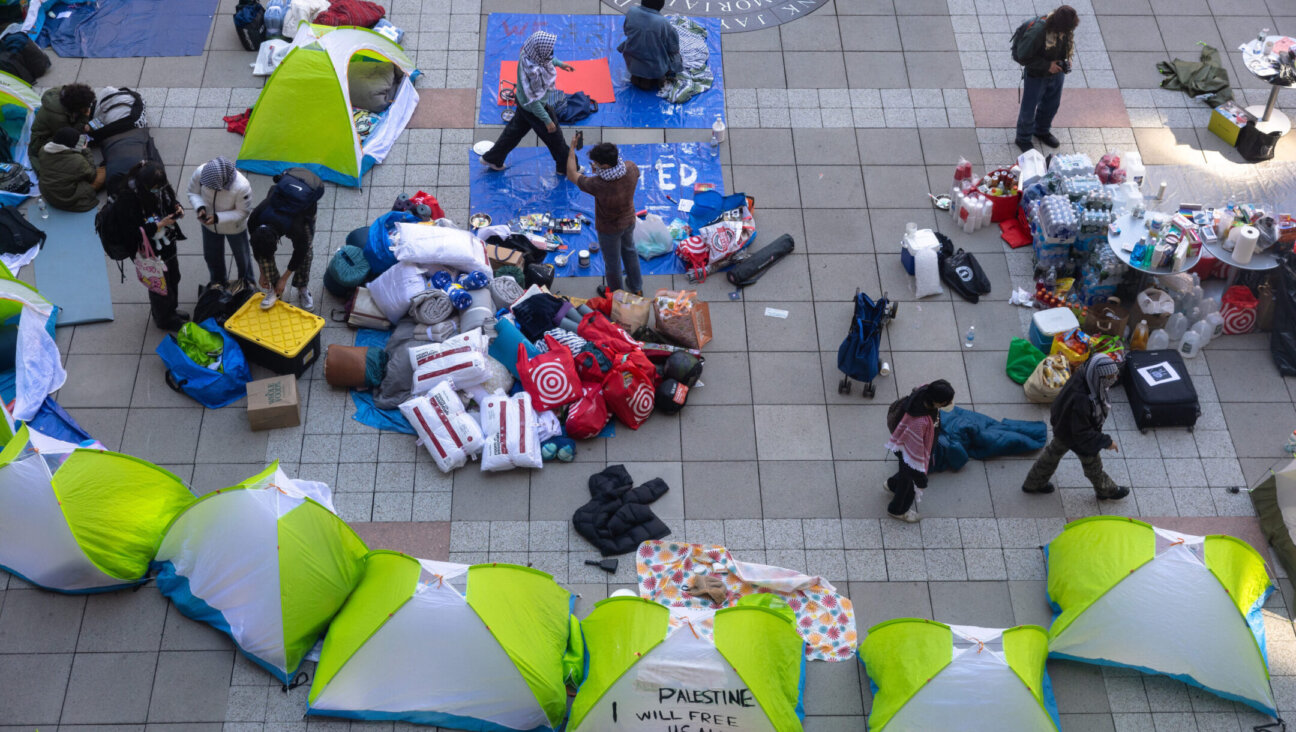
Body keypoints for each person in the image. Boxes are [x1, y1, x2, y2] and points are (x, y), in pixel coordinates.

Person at [1021, 353, 1130, 500]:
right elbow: (1082, 432)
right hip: (1077, 435)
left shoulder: (1083, 375)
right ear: (1098, 376)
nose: (1113, 379)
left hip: (1063, 427)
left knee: (1051, 455)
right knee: (1093, 465)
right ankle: (1106, 490)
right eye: (1109, 377)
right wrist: (1106, 441)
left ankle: (1033, 483)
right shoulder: (1083, 399)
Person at [109, 161, 188, 330]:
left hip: (167, 243)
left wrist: (176, 207)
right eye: (155, 188)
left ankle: (171, 310)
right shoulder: (128, 199)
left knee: (174, 277)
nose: (159, 190)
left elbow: (169, 198)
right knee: (159, 284)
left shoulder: (159, 186)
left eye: (161, 186)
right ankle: (164, 318)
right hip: (148, 251)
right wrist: (160, 224)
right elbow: (131, 233)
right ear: (145, 185)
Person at [480, 31, 573, 174]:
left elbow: (547, 59)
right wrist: (547, 120)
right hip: (536, 109)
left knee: (513, 133)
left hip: (523, 104)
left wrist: (560, 64)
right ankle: (567, 168)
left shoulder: (528, 55)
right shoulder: (534, 74)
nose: (551, 55)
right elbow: (534, 102)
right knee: (556, 141)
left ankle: (493, 158)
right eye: (548, 52)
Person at [565, 138, 642, 296]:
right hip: (629, 220)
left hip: (609, 229)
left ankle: (616, 295)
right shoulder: (631, 168)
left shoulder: (597, 185)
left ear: (605, 166)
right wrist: (601, 171)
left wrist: (572, 148)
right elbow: (617, 174)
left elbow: (572, 174)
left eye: (597, 163)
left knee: (612, 263)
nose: (594, 165)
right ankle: (637, 287)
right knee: (630, 251)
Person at [883, 380, 956, 523]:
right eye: (946, 402)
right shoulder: (919, 422)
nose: (950, 404)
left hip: (902, 445)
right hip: (908, 450)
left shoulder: (923, 390)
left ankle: (892, 484)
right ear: (937, 402)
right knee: (908, 484)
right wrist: (921, 480)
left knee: (904, 473)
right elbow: (914, 457)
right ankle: (897, 510)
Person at [1012, 5, 1079, 153]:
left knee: (1052, 104)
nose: (1068, 32)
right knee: (1029, 108)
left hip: (1057, 72)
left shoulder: (1065, 29)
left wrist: (1066, 59)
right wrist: (1047, 66)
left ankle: (1041, 130)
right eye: (1066, 30)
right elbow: (1022, 56)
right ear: (1058, 24)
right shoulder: (1037, 31)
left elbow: (1066, 43)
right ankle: (1023, 138)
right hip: (1037, 74)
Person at [186, 157, 254, 288]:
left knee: (242, 257)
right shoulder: (201, 172)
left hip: (234, 228)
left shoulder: (242, 186)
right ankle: (218, 282)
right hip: (209, 226)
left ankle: (247, 283)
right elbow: (192, 192)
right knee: (211, 255)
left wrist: (217, 218)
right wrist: (200, 207)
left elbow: (242, 212)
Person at [248, 195, 317, 311]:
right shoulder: (253, 222)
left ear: (276, 241)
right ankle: (276, 289)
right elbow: (258, 250)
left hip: (305, 207)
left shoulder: (296, 227)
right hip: (277, 203)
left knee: (306, 252)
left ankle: (302, 286)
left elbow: (301, 251)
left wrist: (284, 278)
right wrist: (262, 273)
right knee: (263, 251)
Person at [28, 83, 95, 173]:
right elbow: (69, 134)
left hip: (55, 129)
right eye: (86, 107)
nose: (88, 108)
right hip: (42, 141)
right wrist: (84, 118)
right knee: (80, 145)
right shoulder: (58, 117)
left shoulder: (63, 92)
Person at [34, 127, 104, 212]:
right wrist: (85, 151)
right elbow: (92, 175)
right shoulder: (77, 160)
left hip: (49, 194)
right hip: (68, 199)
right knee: (103, 171)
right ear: (71, 145)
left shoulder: (43, 150)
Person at [617, 0, 683, 91]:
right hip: (656, 68)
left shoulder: (631, 11)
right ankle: (652, 75)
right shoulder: (663, 22)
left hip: (632, 64)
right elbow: (673, 48)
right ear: (661, 5)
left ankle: (640, 74)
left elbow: (626, 31)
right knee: (675, 56)